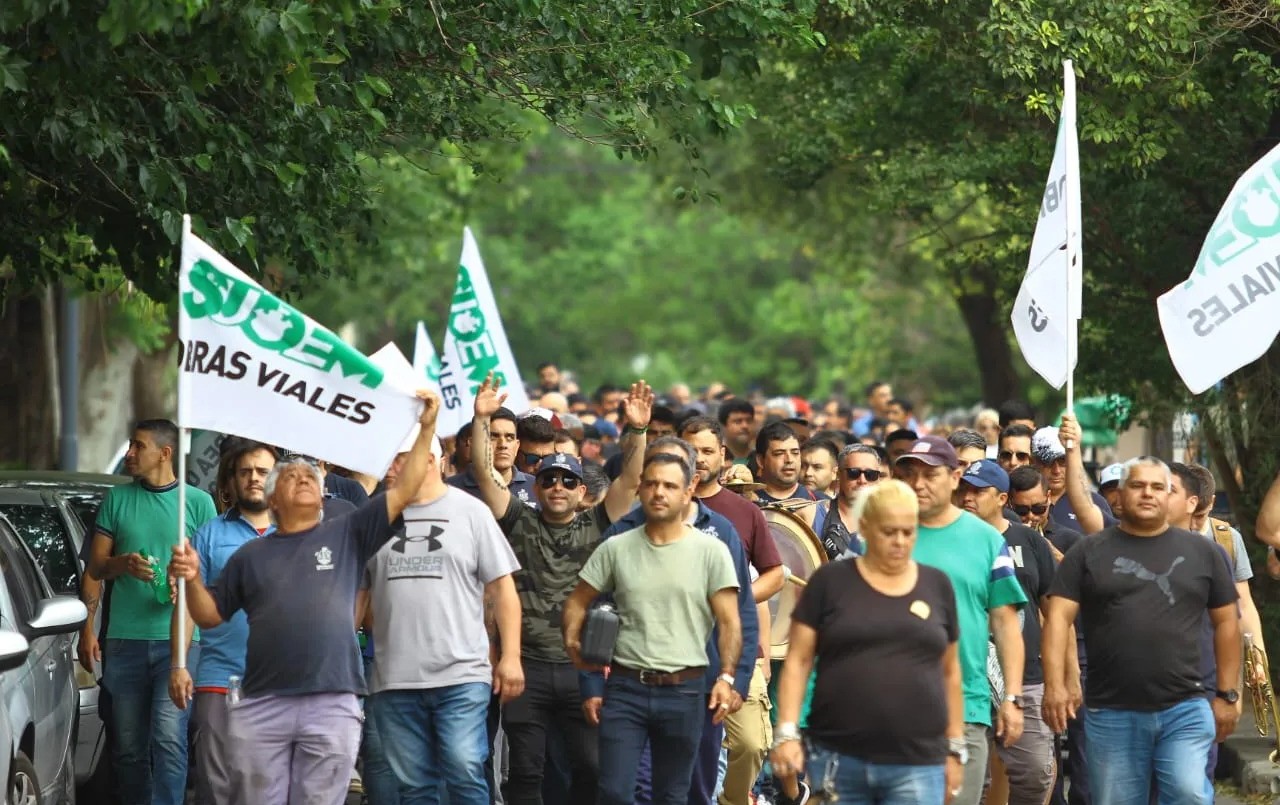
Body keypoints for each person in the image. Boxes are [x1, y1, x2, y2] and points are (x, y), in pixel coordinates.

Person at [168, 390, 442, 805]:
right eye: (290, 477)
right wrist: (191, 579)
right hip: (262, 703)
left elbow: (404, 490)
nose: (301, 480)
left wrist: (426, 428)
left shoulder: (348, 531)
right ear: (274, 501)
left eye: (309, 477)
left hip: (331, 699)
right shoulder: (250, 555)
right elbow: (208, 617)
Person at [475, 375, 653, 805]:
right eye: (550, 480)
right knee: (525, 771)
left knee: (592, 768)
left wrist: (639, 431)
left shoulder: (597, 523)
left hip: (583, 669)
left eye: (568, 482)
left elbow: (630, 481)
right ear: (536, 487)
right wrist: (480, 420)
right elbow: (485, 474)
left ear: (582, 492)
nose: (558, 487)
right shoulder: (519, 519)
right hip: (528, 667)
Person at [1042, 457, 1240, 805]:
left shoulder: (1204, 552)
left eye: (1157, 487)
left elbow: (1227, 622)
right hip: (1112, 710)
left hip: (1186, 706)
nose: (1147, 493)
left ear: (1169, 495)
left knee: (1188, 792)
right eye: (1137, 485)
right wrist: (1056, 685)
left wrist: (1227, 694)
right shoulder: (1090, 551)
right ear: (1119, 494)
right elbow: (1057, 616)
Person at [562, 453, 742, 805]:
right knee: (613, 792)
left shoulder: (711, 551)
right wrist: (577, 652)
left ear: (687, 491)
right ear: (641, 488)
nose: (659, 492)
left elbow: (731, 621)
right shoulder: (616, 546)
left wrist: (728, 677)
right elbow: (578, 602)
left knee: (672, 796)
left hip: (686, 689)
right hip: (626, 687)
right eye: (652, 484)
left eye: (670, 485)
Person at [770, 480, 964, 805]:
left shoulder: (936, 585)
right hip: (838, 755)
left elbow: (950, 672)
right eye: (889, 531)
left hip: (918, 759)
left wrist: (955, 749)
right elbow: (798, 661)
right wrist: (787, 732)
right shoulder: (830, 582)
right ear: (865, 527)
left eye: (908, 531)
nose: (900, 541)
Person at [363, 423, 524, 805]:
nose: (389, 470)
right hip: (394, 678)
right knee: (415, 785)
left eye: (399, 460)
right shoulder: (374, 516)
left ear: (430, 461)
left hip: (461, 673)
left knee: (464, 766)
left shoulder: (471, 512)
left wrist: (512, 656)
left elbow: (503, 588)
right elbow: (360, 592)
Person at [87, 418, 218, 805]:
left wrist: (190, 582)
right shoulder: (117, 499)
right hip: (124, 640)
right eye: (130, 445)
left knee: (168, 737)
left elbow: (210, 571)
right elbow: (96, 567)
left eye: (137, 446)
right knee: (127, 748)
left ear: (165, 453)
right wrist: (122, 564)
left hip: (177, 641)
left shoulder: (197, 502)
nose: (129, 453)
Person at [893, 435, 1027, 805]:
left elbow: (1005, 623)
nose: (918, 483)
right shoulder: (880, 534)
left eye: (930, 474)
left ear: (955, 477)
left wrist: (1012, 697)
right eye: (909, 473)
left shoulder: (985, 540)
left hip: (964, 706)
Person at [173, 441, 278, 805]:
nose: (253, 478)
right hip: (220, 679)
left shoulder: (298, 533)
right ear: (231, 479)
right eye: (245, 471)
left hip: (283, 683)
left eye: (262, 472)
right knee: (216, 788)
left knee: (268, 787)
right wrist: (180, 664)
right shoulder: (210, 535)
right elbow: (187, 604)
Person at [955, 461, 1065, 805]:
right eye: (965, 490)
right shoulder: (950, 540)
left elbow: (1056, 613)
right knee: (969, 780)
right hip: (964, 678)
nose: (969, 498)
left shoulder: (1029, 541)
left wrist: (1064, 680)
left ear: (1002, 498)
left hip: (1026, 677)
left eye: (979, 491)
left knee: (1035, 772)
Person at [1030, 418, 1115, 535]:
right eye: (1048, 463)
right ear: (1034, 462)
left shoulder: (1094, 503)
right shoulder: (1022, 499)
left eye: (1063, 461)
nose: (1056, 470)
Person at [448, 407, 538, 508]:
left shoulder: (537, 487)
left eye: (509, 437)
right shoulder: (449, 489)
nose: (503, 445)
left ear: (517, 446)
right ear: (473, 443)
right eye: (493, 437)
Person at [813, 444, 885, 559]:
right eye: (854, 473)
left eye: (870, 475)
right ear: (838, 474)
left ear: (878, 478)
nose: (862, 480)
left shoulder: (892, 518)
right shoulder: (812, 515)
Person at [753, 422, 825, 523]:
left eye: (795, 453)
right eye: (779, 454)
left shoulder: (821, 503)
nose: (789, 460)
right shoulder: (749, 503)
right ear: (760, 461)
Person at [718, 398, 757, 466]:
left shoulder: (762, 459)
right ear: (724, 426)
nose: (745, 426)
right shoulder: (716, 458)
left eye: (749, 421)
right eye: (738, 421)